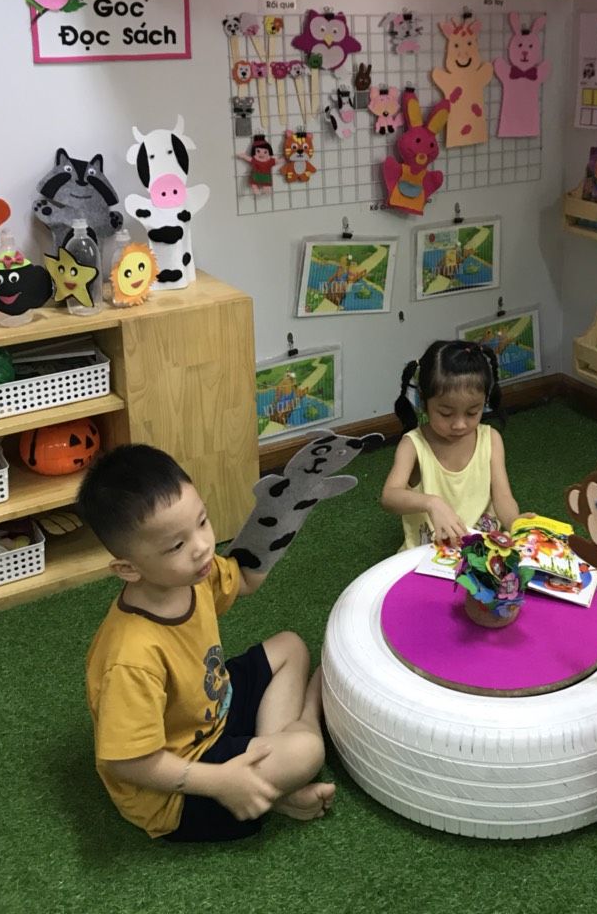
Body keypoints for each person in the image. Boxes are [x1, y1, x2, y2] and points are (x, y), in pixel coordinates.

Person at [78, 444, 334, 843]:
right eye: (176, 545)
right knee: (307, 752)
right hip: (178, 786)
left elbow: (244, 579)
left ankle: (271, 781)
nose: (201, 546)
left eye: (202, 521)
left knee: (290, 646)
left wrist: (287, 508)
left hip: (214, 707)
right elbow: (128, 763)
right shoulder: (130, 658)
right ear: (128, 569)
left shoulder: (191, 575)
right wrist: (222, 781)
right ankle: (304, 722)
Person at [382, 338, 522, 548]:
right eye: (446, 413)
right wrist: (432, 503)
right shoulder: (413, 445)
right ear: (424, 401)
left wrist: (516, 524)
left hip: (482, 552)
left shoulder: (491, 439)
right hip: (429, 555)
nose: (459, 425)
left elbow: (503, 496)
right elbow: (389, 496)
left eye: (472, 412)